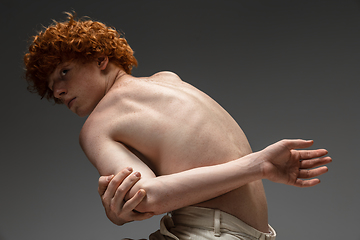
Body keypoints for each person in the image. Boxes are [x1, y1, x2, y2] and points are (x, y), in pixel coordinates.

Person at [24, 13, 331, 240]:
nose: (58, 91)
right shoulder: (169, 79)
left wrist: (259, 165)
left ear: (101, 59)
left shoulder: (96, 126)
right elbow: (142, 198)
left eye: (64, 72)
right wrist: (126, 211)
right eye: (51, 87)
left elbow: (147, 196)